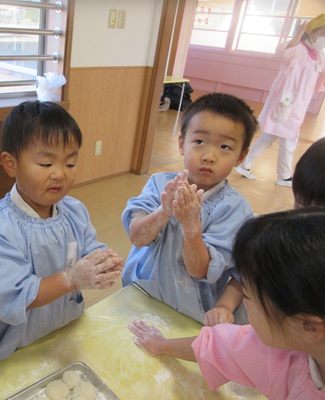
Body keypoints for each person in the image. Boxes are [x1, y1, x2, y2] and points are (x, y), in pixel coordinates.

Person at [0, 100, 123, 366]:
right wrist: (71, 278)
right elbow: (12, 296)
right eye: (46, 164)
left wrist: (101, 261)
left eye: (70, 164)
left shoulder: (74, 210)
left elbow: (88, 247)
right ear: (11, 164)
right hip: (19, 344)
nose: (59, 174)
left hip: (65, 324)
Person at [128, 207, 325, 399]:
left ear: (309, 326)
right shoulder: (290, 345)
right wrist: (162, 345)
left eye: (248, 296)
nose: (245, 304)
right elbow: (224, 346)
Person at [121, 92, 257, 324]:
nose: (209, 156)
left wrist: (191, 225)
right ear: (182, 143)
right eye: (199, 142)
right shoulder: (159, 184)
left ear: (240, 156)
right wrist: (163, 212)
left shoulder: (234, 209)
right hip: (139, 292)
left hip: (190, 312)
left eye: (225, 146)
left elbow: (199, 270)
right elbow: (138, 238)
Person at [204, 136, 325, 326]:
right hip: (251, 328)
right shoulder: (281, 239)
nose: (304, 222)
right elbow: (245, 278)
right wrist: (225, 306)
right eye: (300, 208)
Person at [235, 14, 325, 188]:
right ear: (312, 32)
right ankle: (283, 176)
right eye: (323, 33)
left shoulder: (319, 55)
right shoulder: (298, 49)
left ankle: (245, 164)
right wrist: (298, 34)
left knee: (270, 137)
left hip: (298, 105)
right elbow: (282, 54)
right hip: (287, 103)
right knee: (288, 140)